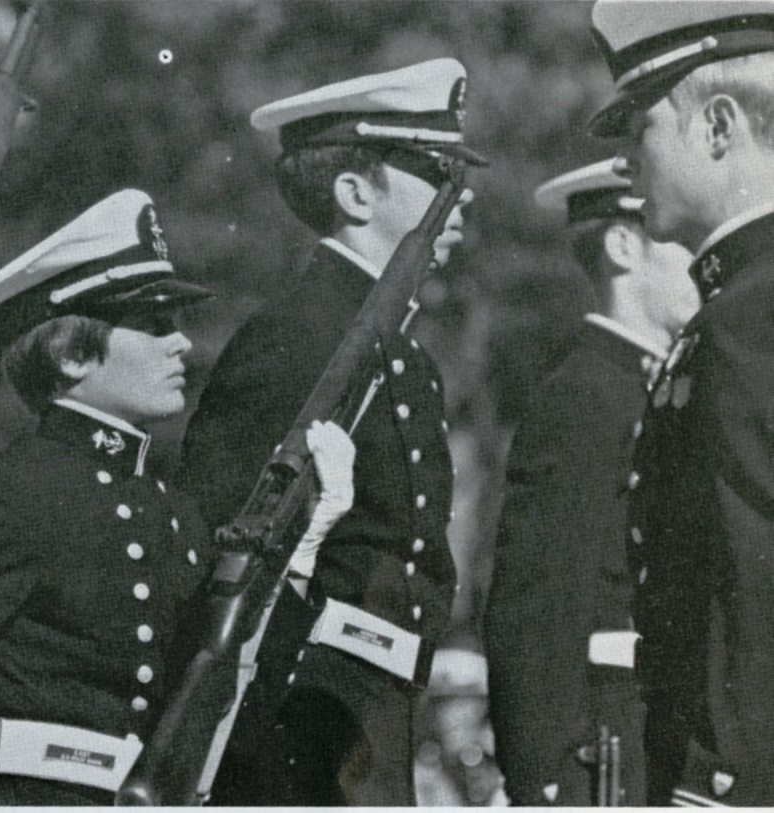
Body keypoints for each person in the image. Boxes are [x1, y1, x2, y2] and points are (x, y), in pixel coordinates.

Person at [0, 188, 357, 805]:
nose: (181, 343)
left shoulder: (175, 511)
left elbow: (228, 700)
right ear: (72, 355)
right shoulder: (14, 494)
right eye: (154, 324)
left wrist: (302, 549)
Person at [178, 59, 484, 806]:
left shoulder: (404, 354)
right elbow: (213, 553)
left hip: (370, 728)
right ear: (353, 192)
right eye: (432, 171)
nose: (462, 196)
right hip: (288, 731)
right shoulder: (290, 341)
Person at [587, 0, 774, 805]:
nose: (625, 160)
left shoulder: (750, 318)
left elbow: (750, 584)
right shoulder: (734, 310)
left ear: (719, 126)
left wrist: (720, 783)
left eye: (640, 126)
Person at [484, 160, 698, 806]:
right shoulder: (584, 396)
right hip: (600, 756)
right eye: (684, 246)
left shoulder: (653, 390)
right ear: (623, 246)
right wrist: (541, 781)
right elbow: (536, 610)